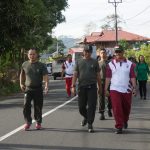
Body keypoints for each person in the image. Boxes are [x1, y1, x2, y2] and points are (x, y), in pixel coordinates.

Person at [105, 45, 136, 134]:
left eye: (119, 51)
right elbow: (108, 77)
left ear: (123, 52)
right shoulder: (110, 64)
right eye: (116, 52)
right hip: (114, 89)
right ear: (114, 53)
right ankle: (119, 126)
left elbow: (132, 76)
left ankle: (125, 120)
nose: (118, 53)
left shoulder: (130, 64)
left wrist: (134, 87)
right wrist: (105, 89)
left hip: (127, 89)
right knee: (116, 107)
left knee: (126, 108)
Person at [71, 45, 101, 133]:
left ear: (91, 52)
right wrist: (72, 86)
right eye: (86, 51)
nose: (87, 53)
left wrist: (100, 87)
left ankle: (90, 124)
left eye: (89, 51)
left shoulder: (95, 62)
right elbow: (75, 75)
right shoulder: (78, 62)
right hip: (82, 87)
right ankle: (86, 117)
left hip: (92, 87)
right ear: (83, 52)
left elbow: (98, 76)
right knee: (81, 107)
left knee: (92, 106)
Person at [20, 48, 49, 131]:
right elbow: (22, 74)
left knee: (38, 107)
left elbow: (46, 77)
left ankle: (38, 123)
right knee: (26, 106)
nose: (32, 56)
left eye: (33, 54)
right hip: (28, 89)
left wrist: (46, 86)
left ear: (36, 55)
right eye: (30, 54)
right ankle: (28, 122)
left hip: (38, 89)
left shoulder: (41, 65)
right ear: (28, 55)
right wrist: (21, 84)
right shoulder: (24, 64)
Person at [98, 48, 112, 120]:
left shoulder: (110, 63)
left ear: (106, 54)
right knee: (101, 98)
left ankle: (109, 108)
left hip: (109, 82)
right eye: (101, 53)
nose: (103, 54)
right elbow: (95, 74)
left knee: (109, 97)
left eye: (104, 53)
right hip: (101, 82)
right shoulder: (97, 63)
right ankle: (102, 113)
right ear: (99, 54)